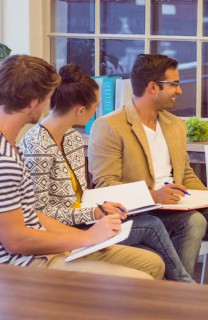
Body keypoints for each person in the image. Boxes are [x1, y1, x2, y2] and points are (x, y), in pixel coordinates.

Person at [88, 54, 208, 287]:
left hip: (179, 205)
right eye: (174, 84)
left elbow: (185, 172)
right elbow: (105, 186)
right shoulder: (109, 126)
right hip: (143, 212)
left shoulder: (174, 124)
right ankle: (177, 300)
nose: (180, 91)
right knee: (193, 222)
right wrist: (152, 195)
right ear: (153, 87)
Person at [20, 64, 193, 283]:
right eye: (96, 106)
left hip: (84, 220)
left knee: (158, 248)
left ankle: (178, 289)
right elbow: (39, 213)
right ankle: (186, 287)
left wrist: (102, 208)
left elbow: (80, 197)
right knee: (151, 227)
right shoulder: (37, 146)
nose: (98, 111)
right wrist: (93, 213)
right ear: (81, 111)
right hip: (64, 232)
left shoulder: (72, 138)